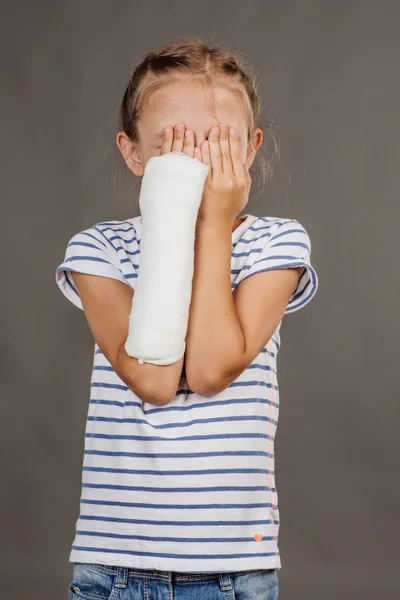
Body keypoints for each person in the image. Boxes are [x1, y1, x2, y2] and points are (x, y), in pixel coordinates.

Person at [56, 37, 318, 600]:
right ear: (133, 154)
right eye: (173, 147)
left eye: (217, 144)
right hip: (113, 564)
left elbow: (207, 370)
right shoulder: (98, 251)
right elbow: (152, 378)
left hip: (230, 569)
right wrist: (172, 213)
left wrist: (212, 226)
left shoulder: (276, 244)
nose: (196, 164)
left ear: (248, 151)